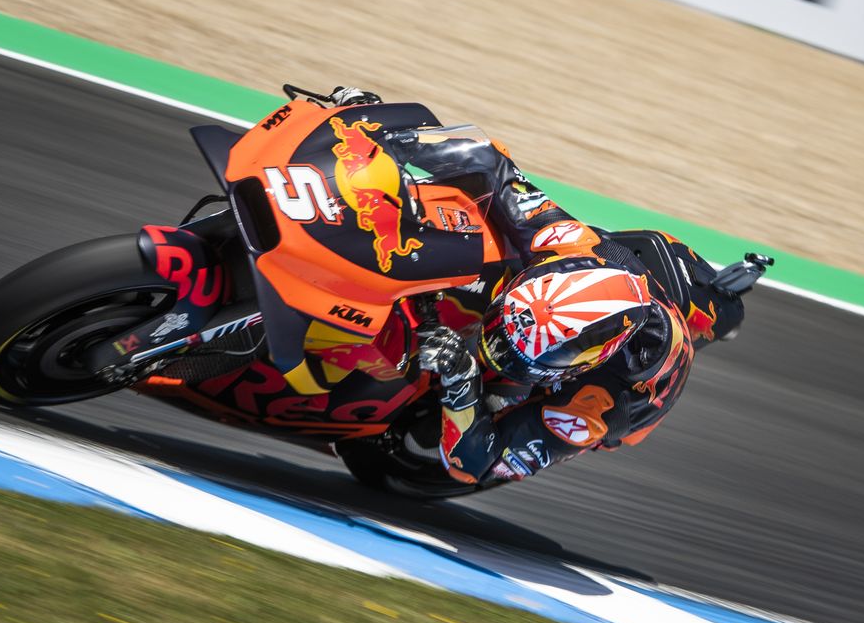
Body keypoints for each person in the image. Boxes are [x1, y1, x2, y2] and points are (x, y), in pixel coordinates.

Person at [326, 86, 767, 485]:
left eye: (515, 354)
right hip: (625, 282)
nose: (491, 350)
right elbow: (489, 164)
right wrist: (382, 138)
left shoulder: (590, 406)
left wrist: (462, 379)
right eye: (498, 335)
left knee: (495, 416)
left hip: (629, 396)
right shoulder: (566, 241)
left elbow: (476, 464)